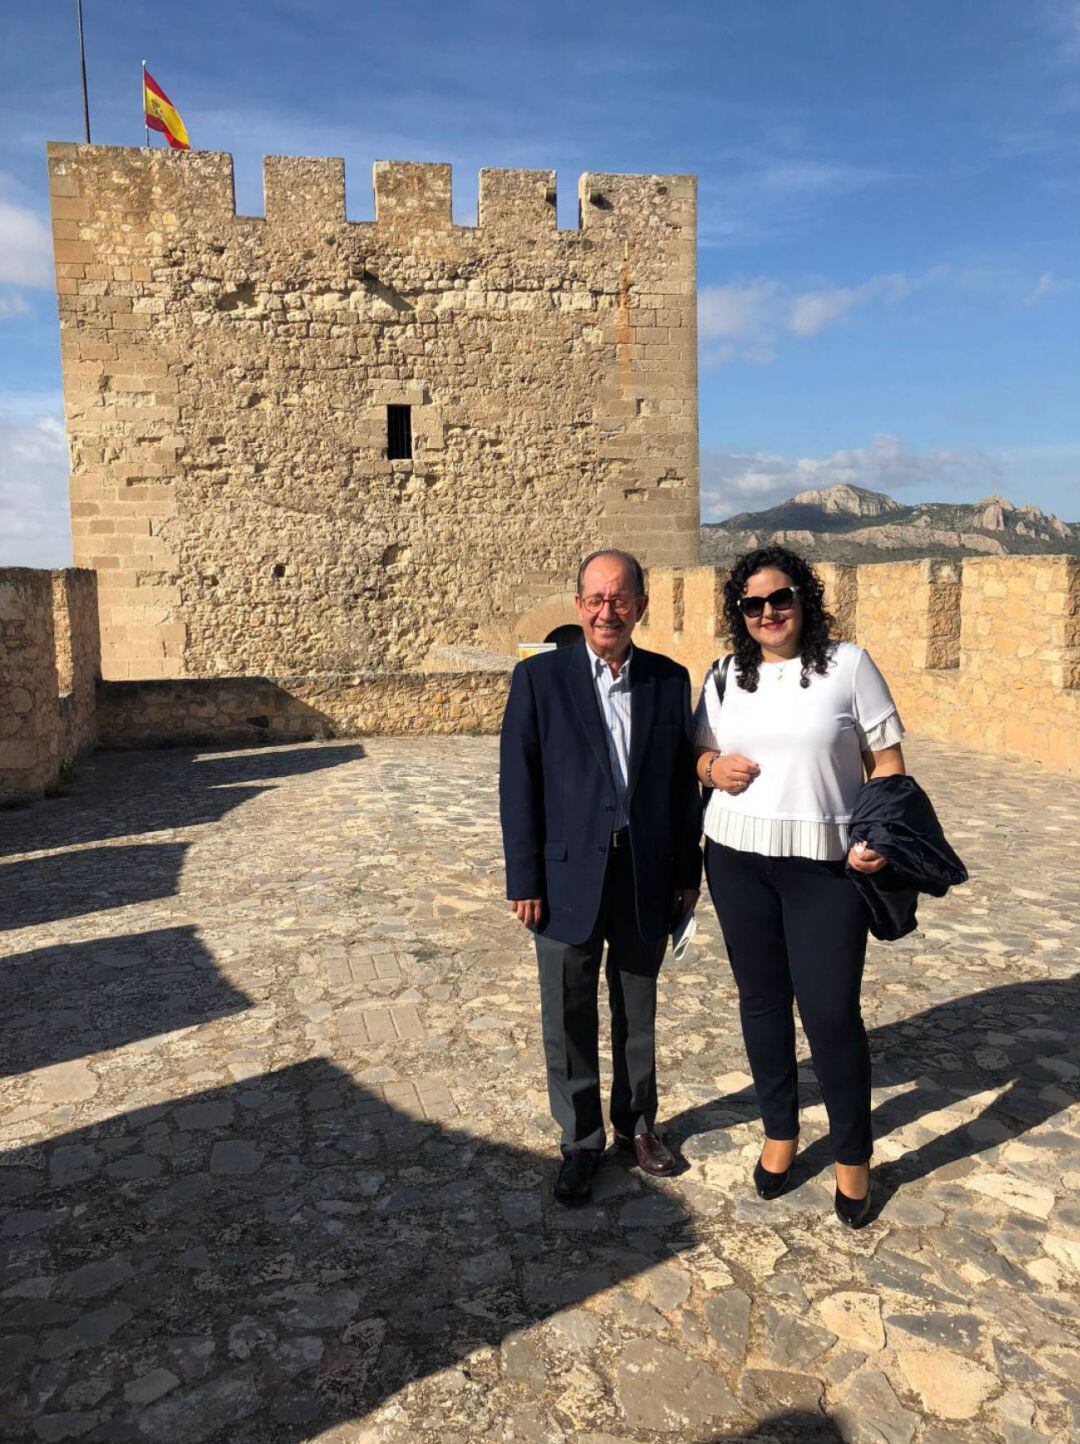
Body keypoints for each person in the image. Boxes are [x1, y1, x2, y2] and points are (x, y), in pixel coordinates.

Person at [694, 545, 904, 1228]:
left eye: (780, 598)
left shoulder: (848, 667)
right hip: (735, 858)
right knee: (761, 1003)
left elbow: (889, 765)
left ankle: (852, 1158)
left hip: (825, 870)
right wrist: (709, 767)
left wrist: (878, 836)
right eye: (752, 604)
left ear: (803, 599)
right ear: (739, 613)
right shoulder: (725, 675)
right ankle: (779, 1133)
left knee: (831, 1015)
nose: (768, 613)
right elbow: (698, 753)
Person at [500, 549, 702, 1203]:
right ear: (578, 604)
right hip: (562, 879)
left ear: (641, 605)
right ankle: (580, 1139)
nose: (605, 611)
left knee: (637, 1008)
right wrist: (523, 877)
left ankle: (638, 1127)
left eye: (619, 599)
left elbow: (679, 790)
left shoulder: (669, 682)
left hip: (644, 872)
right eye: (593, 599)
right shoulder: (539, 681)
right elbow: (518, 785)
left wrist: (688, 872)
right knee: (568, 1011)